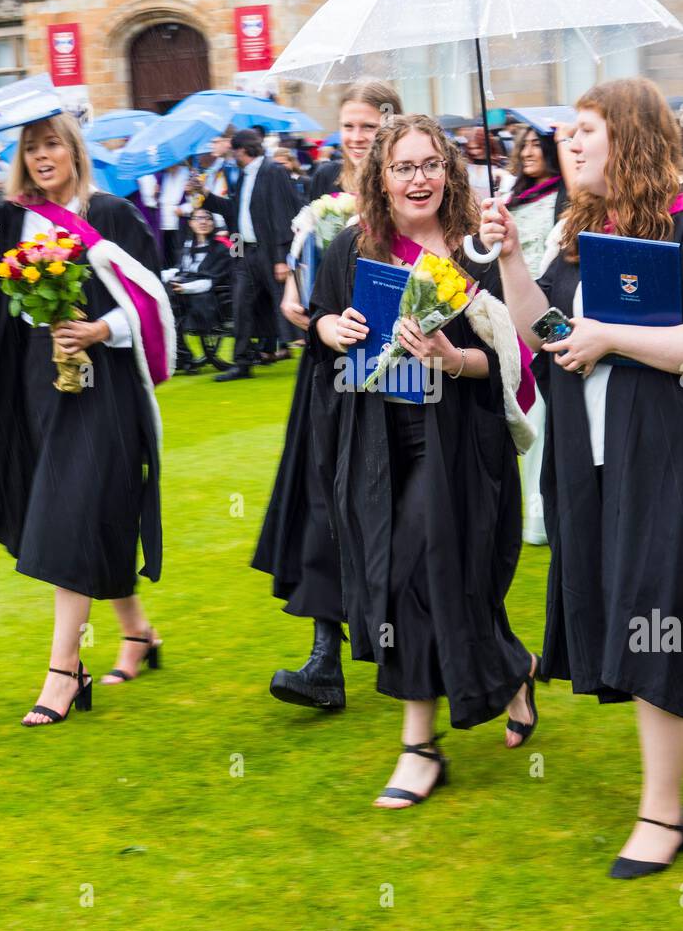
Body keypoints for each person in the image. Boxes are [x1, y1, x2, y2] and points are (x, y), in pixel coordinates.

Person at [480, 77, 683, 877]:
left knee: (655, 612)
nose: (568, 144)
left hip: (671, 452)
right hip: (588, 459)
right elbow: (544, 334)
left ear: (632, 137)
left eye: (585, 130)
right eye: (567, 132)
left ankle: (662, 814)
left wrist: (609, 335)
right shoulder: (576, 234)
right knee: (653, 611)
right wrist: (511, 259)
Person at [0, 107, 175, 724]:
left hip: (103, 386)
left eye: (53, 144)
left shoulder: (108, 214)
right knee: (81, 515)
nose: (43, 157)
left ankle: (63, 672)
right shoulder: (10, 218)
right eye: (32, 148)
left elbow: (151, 296)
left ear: (73, 149)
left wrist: (100, 329)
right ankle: (137, 633)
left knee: (71, 514)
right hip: (34, 386)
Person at [310, 113, 537, 807]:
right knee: (407, 575)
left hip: (458, 439)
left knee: (418, 572)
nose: (419, 180)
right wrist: (333, 327)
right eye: (403, 167)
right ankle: (514, 666)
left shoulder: (474, 249)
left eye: (430, 164)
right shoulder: (354, 247)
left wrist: (451, 357)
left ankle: (418, 746)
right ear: (380, 177)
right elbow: (318, 320)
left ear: (450, 169)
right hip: (376, 437)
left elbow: (512, 359)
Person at [257, 80, 403, 710]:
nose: (355, 136)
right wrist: (304, 308)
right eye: (347, 125)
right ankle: (325, 660)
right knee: (322, 500)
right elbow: (303, 272)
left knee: (393, 508)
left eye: (367, 125)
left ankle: (435, 644)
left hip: (394, 373)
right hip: (327, 369)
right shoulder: (321, 186)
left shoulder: (410, 190)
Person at [503, 122, 576, 545]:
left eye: (537, 144)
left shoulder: (566, 198)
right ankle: (534, 512)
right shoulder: (511, 197)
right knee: (529, 413)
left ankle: (551, 507)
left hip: (551, 308)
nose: (530, 151)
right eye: (523, 144)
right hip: (516, 308)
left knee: (550, 408)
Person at [201, 130, 302, 381]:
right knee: (241, 306)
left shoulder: (273, 171)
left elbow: (282, 214)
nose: (232, 156)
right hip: (246, 253)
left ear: (242, 150)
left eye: (234, 151)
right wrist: (204, 195)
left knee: (287, 307)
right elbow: (234, 213)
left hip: (269, 253)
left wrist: (281, 257)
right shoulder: (244, 176)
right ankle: (243, 362)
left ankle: (313, 351)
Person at [162, 205, 232, 373]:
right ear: (191, 223)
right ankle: (181, 355)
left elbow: (210, 281)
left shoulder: (222, 249)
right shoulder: (188, 246)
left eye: (207, 218)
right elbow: (180, 270)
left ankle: (183, 357)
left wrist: (184, 287)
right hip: (185, 288)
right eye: (198, 218)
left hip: (206, 293)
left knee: (173, 300)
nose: (203, 222)